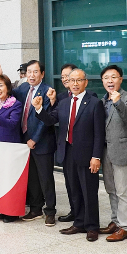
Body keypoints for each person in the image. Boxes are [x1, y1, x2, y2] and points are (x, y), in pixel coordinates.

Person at [34, 68, 105, 242]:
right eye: (71, 80)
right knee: (74, 190)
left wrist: (96, 156)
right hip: (67, 152)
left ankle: (92, 226)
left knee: (89, 191)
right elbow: (51, 120)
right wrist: (39, 109)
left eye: (78, 80)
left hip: (88, 154)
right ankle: (79, 222)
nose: (74, 84)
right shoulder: (64, 102)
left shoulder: (94, 103)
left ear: (85, 82)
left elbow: (99, 134)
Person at [98, 65, 127, 242]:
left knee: (123, 191)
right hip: (106, 151)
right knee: (111, 190)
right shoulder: (102, 100)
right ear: (102, 81)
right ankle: (115, 222)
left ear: (121, 79)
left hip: (123, 150)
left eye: (113, 77)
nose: (110, 81)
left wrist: (118, 102)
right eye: (106, 77)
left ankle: (125, 227)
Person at [13, 60, 57, 227]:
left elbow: (45, 120)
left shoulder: (47, 91)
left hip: (42, 142)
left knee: (45, 178)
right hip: (25, 141)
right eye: (28, 72)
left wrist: (35, 139)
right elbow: (6, 92)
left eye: (35, 72)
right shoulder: (23, 88)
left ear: (42, 74)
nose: (31, 75)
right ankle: (36, 208)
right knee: (31, 177)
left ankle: (50, 211)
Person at [0, 74, 23, 222]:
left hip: (10, 146)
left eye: (1, 85)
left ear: (8, 87)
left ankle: (13, 212)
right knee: (1, 178)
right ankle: (3, 209)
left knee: (11, 179)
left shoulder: (16, 104)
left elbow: (13, 124)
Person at [56, 63, 78, 223]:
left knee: (82, 184)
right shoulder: (61, 98)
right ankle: (74, 211)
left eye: (68, 76)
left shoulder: (91, 97)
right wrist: (41, 109)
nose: (65, 79)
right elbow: (52, 118)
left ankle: (84, 215)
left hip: (82, 148)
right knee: (69, 182)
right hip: (66, 147)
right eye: (63, 76)